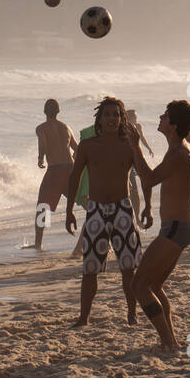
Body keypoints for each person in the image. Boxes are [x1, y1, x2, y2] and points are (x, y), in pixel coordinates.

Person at [65, 97, 151, 327]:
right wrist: (69, 211)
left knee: (128, 268)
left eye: (116, 115)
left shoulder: (128, 145)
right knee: (90, 268)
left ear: (122, 119)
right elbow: (74, 178)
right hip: (96, 211)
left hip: (123, 209)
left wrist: (149, 207)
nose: (112, 119)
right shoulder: (88, 146)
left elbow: (144, 174)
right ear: (99, 119)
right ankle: (84, 317)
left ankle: (132, 315)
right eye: (107, 115)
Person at [131, 100, 190, 350]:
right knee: (154, 285)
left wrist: (135, 144)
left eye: (165, 116)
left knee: (138, 285)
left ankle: (168, 342)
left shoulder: (178, 152)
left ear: (173, 125)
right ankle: (171, 338)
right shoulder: (186, 148)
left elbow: (148, 180)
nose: (160, 117)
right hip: (179, 226)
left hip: (176, 228)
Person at [33, 99, 77, 249]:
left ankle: (38, 243)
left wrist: (40, 159)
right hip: (70, 168)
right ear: (58, 111)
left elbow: (43, 143)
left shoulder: (41, 128)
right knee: (83, 201)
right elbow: (77, 149)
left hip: (55, 170)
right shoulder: (66, 127)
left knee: (42, 206)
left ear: (44, 111)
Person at [124, 108, 155, 215]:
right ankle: (133, 211)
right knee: (132, 186)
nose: (136, 118)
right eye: (134, 117)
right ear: (129, 117)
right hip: (129, 159)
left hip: (137, 156)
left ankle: (144, 205)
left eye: (136, 116)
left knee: (143, 178)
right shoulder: (124, 127)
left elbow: (142, 138)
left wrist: (149, 148)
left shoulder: (138, 126)